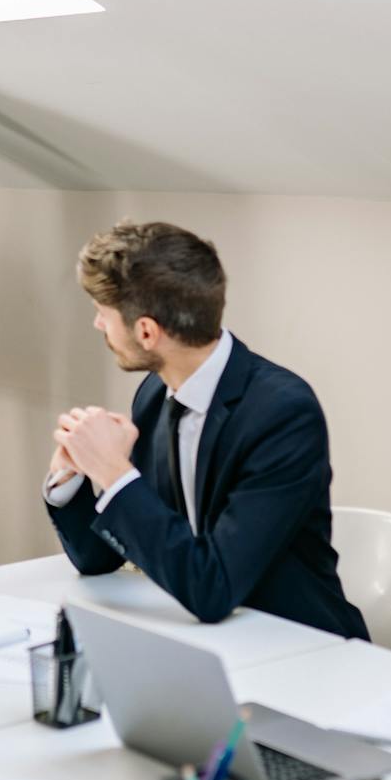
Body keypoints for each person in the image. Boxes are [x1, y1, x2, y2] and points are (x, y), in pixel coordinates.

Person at [44, 221, 369, 640]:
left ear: (146, 331)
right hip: (205, 638)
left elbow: (213, 588)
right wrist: (73, 477)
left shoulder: (283, 414)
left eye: (103, 314)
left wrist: (114, 473)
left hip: (299, 643)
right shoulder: (154, 394)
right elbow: (98, 560)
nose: (98, 325)